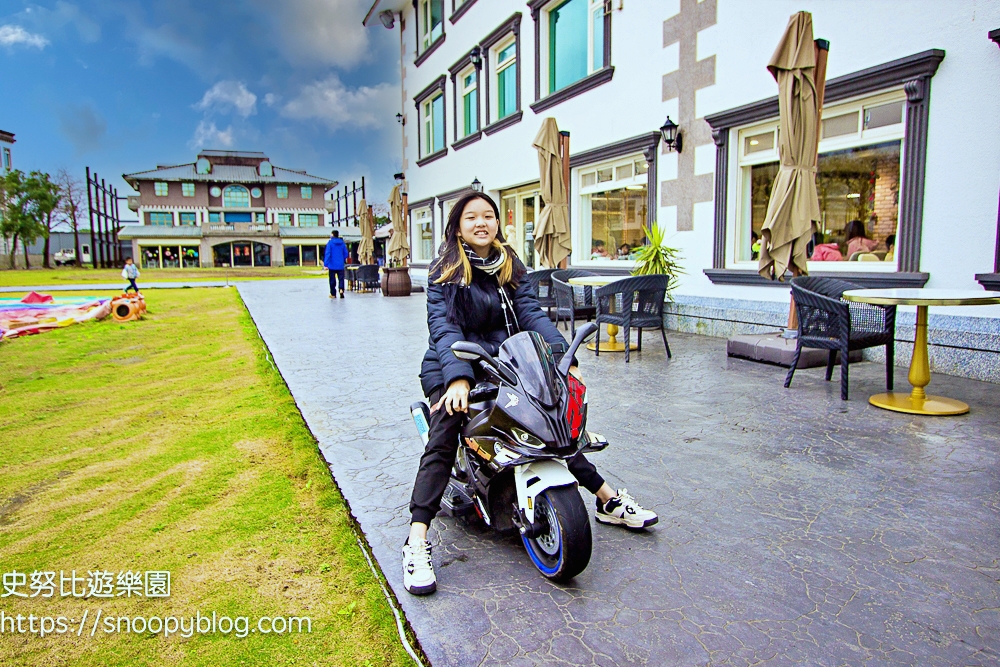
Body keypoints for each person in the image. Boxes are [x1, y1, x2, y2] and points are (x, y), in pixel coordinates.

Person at [402, 192, 658, 596]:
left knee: (548, 420)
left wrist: (560, 355)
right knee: (446, 430)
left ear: (497, 223)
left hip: (506, 359)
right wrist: (457, 378)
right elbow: (443, 328)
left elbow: (532, 314)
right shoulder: (443, 270)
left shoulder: (509, 264)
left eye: (488, 215)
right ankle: (417, 541)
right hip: (452, 362)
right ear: (458, 226)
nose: (481, 222)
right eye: (472, 217)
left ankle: (607, 501)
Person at [324, 230, 350, 298]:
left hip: (332, 265)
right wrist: (342, 259)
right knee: (341, 279)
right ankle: (341, 289)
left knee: (332, 280)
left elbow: (328, 253)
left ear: (332, 235)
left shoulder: (330, 243)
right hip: (340, 265)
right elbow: (346, 253)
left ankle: (333, 294)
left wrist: (326, 264)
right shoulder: (342, 243)